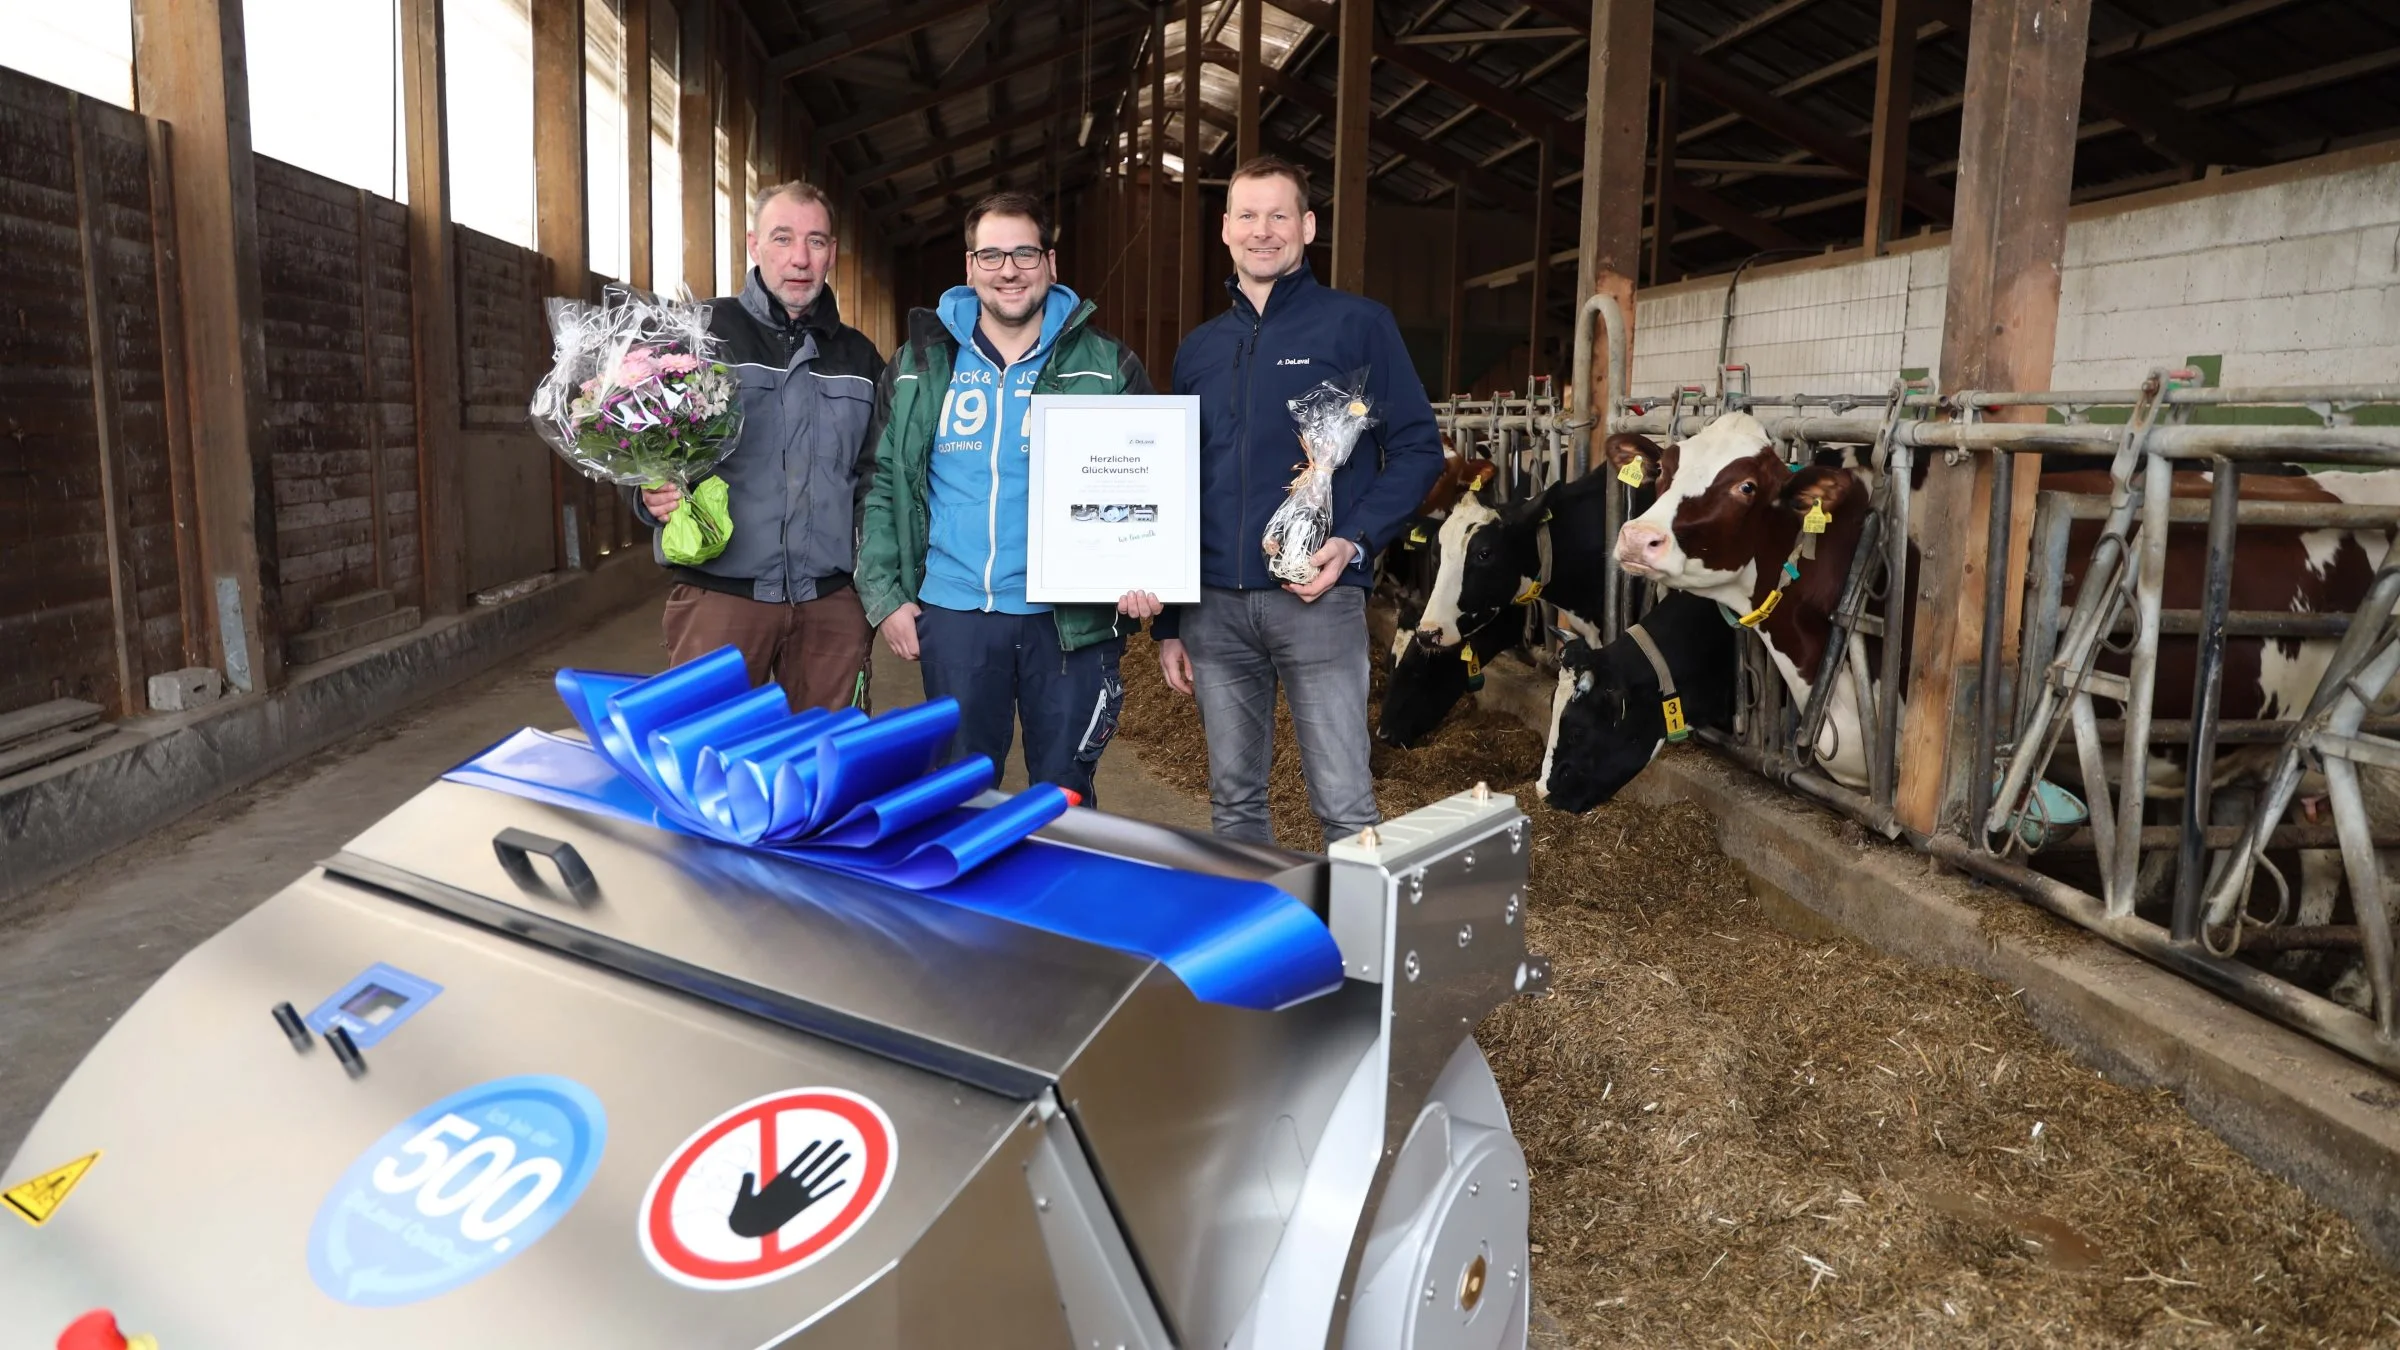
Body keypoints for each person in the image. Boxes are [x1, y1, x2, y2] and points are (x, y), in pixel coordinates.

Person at [1127, 156, 1445, 847]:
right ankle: (1258, 949)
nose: (1262, 231)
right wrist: (1173, 621)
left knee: (1344, 798)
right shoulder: (1199, 350)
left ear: (1307, 226)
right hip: (1214, 606)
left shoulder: (1357, 326)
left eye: (1278, 215)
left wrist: (1354, 541)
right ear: (1225, 229)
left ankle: (1357, 952)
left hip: (1318, 599)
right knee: (1235, 803)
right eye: (1247, 215)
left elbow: (1421, 448)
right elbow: (1182, 483)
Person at [855, 192, 1155, 803]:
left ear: (1050, 261)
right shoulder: (921, 363)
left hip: (1071, 622)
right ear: (969, 267)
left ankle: (1060, 895)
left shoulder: (1108, 363)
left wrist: (1144, 571)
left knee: (1065, 798)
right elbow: (880, 481)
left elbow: (1151, 482)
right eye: (991, 254)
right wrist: (885, 596)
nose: (1008, 270)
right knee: (960, 795)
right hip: (957, 613)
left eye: (1023, 252)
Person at [636, 181, 884, 711]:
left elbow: (876, 480)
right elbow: (645, 438)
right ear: (753, 244)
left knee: (824, 770)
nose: (799, 258)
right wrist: (647, 492)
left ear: (832, 253)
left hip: (832, 604)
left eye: (816, 242)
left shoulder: (861, 359)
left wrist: (875, 586)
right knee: (709, 762)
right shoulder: (701, 336)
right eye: (782, 238)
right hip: (722, 596)